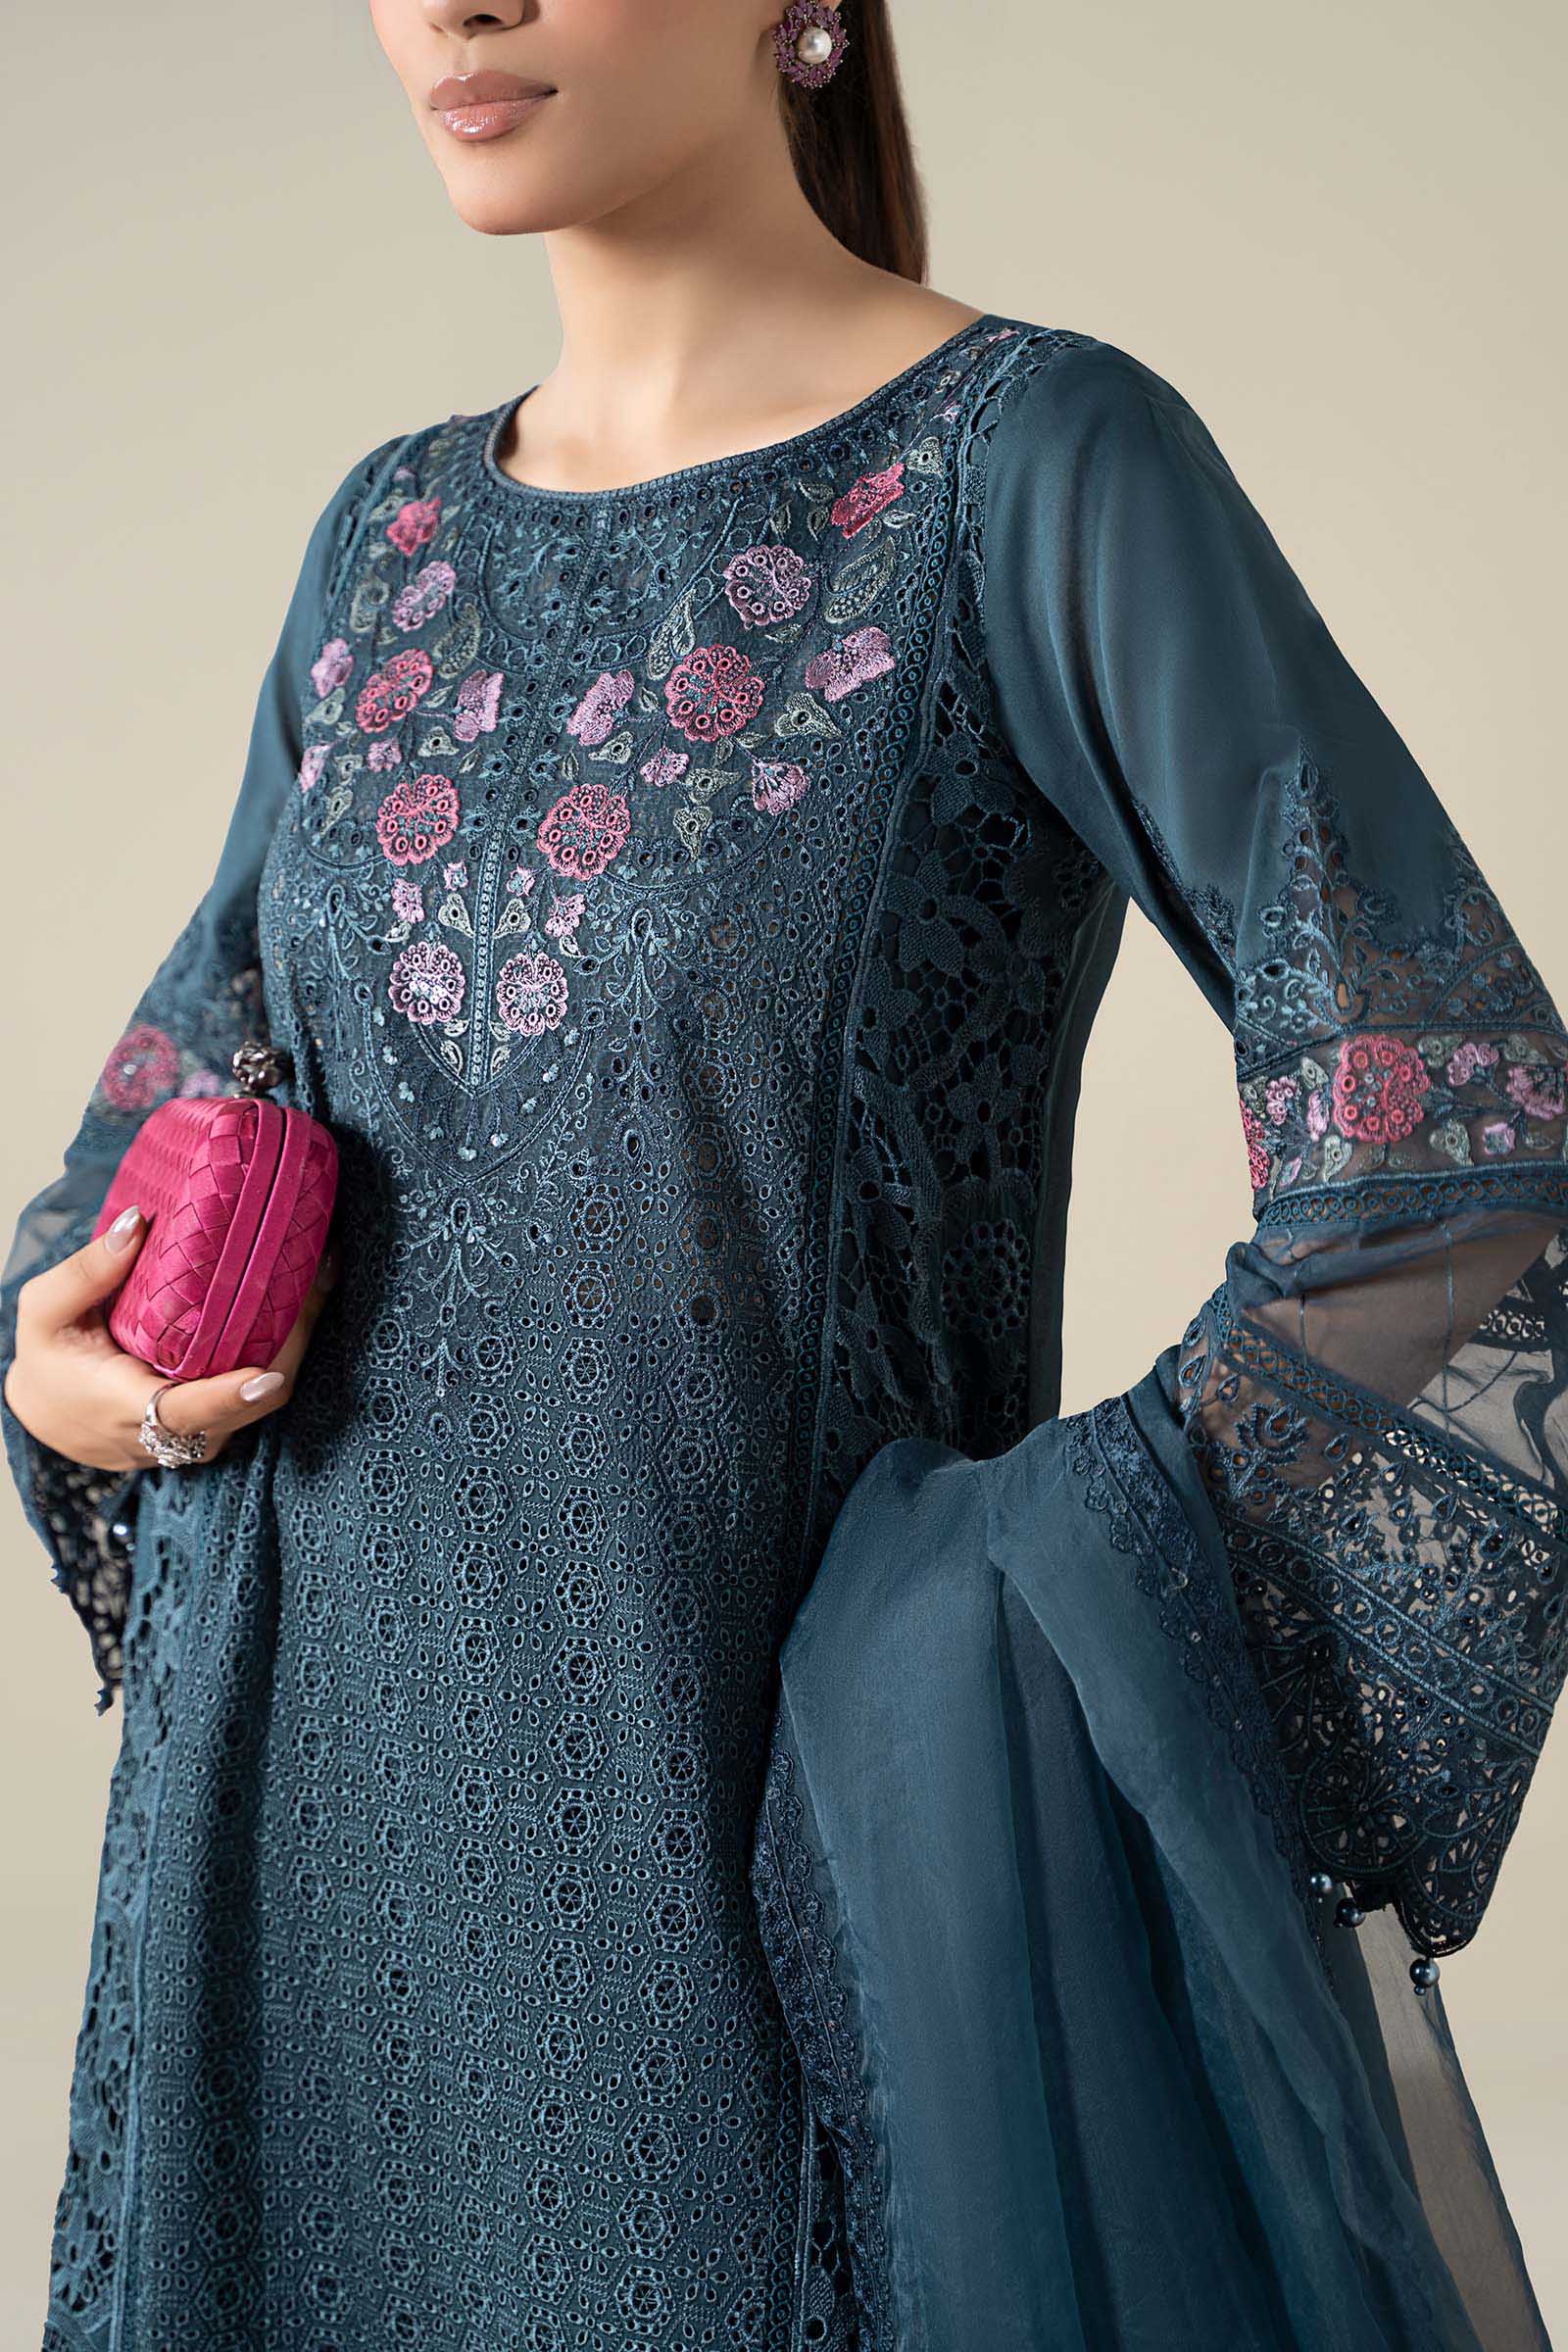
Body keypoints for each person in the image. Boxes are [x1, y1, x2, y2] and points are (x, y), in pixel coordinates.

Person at [3, 2, 1563, 2345]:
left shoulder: (1024, 468)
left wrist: (1001, 1605)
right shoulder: (385, 541)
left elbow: (1458, 1144)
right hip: (285, 1873)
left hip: (728, 1900)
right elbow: (157, 1135)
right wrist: (77, 1358)